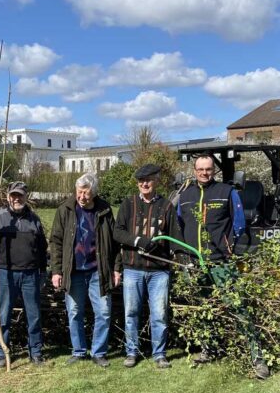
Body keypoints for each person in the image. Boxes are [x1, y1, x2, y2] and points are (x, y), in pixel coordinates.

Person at [177, 154, 270, 379]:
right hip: (195, 262)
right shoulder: (185, 195)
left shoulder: (227, 193)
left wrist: (229, 250)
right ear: (194, 170)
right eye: (200, 169)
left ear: (213, 171)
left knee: (239, 308)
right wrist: (184, 255)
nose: (204, 173)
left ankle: (257, 359)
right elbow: (179, 224)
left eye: (208, 169)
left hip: (221, 262)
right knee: (203, 308)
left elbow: (239, 224)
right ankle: (210, 349)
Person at [50, 173, 120, 368]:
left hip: (99, 271)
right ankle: (79, 351)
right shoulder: (65, 209)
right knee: (74, 312)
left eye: (86, 194)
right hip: (73, 271)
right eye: (79, 192)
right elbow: (55, 241)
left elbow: (114, 243)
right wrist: (56, 271)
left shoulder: (104, 210)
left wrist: (116, 268)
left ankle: (99, 352)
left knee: (104, 312)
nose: (82, 197)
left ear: (94, 194)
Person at [114, 164, 176, 369]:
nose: (144, 184)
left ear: (156, 181)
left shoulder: (166, 206)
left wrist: (182, 257)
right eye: (141, 181)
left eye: (148, 180)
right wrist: (138, 240)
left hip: (159, 270)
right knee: (131, 312)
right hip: (132, 268)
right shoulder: (128, 204)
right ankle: (132, 352)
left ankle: (159, 354)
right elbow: (118, 233)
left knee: (159, 314)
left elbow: (175, 238)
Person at [0, 181, 48, 367]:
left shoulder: (34, 219)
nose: (16, 199)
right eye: (13, 195)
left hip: (30, 274)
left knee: (34, 315)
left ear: (26, 197)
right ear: (7, 196)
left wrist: (43, 271)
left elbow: (42, 249)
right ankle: (1, 351)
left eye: (20, 195)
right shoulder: (0, 218)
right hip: (6, 273)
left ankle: (35, 351)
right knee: (3, 314)